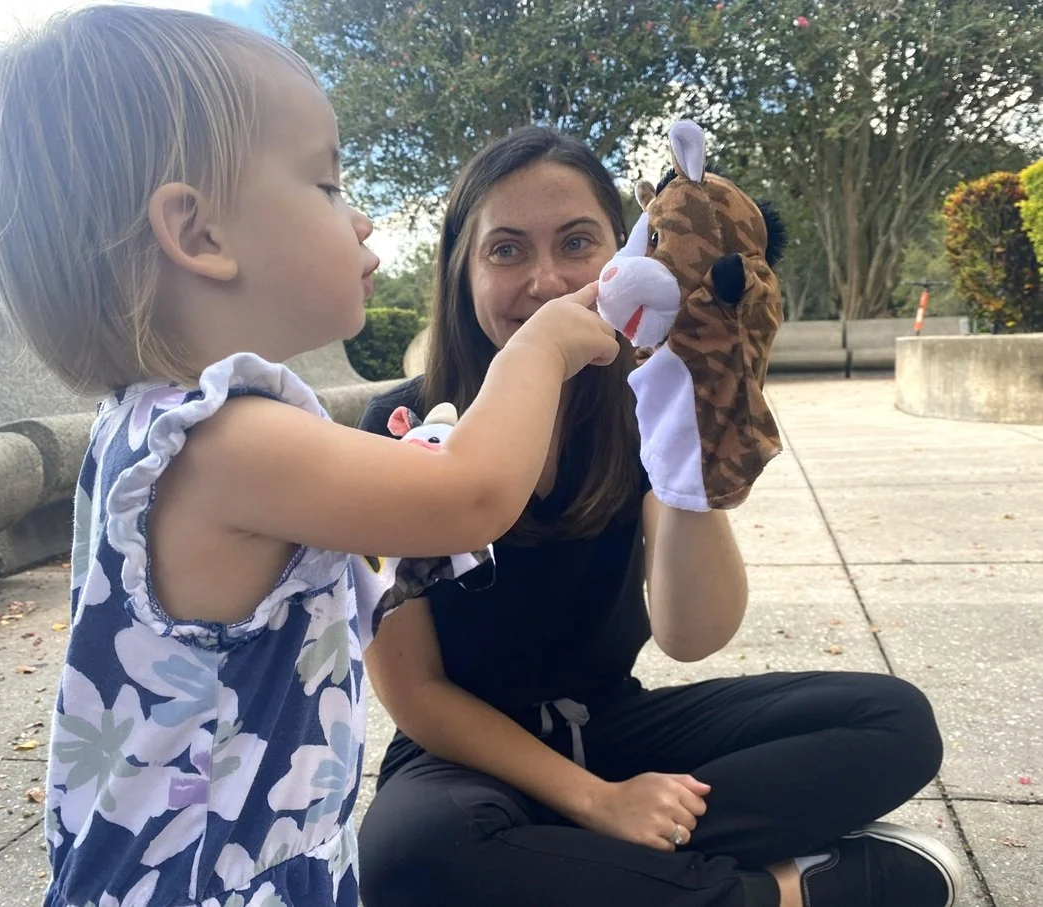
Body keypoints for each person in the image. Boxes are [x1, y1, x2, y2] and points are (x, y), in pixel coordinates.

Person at [0, 9, 622, 907]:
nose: (356, 217)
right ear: (198, 235)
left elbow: (392, 509)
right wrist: (540, 347)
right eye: (323, 182)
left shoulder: (162, 428)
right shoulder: (227, 439)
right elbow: (470, 497)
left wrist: (428, 448)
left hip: (235, 856)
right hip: (208, 882)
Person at [355, 126, 963, 907]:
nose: (544, 281)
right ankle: (790, 890)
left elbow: (690, 633)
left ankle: (571, 874)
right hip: (462, 757)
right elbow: (416, 692)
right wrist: (596, 802)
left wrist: (691, 454)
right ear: (460, 271)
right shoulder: (399, 427)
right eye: (505, 250)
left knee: (892, 721)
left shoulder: (643, 400)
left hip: (614, 726)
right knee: (412, 857)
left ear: (626, 256)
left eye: (577, 242)